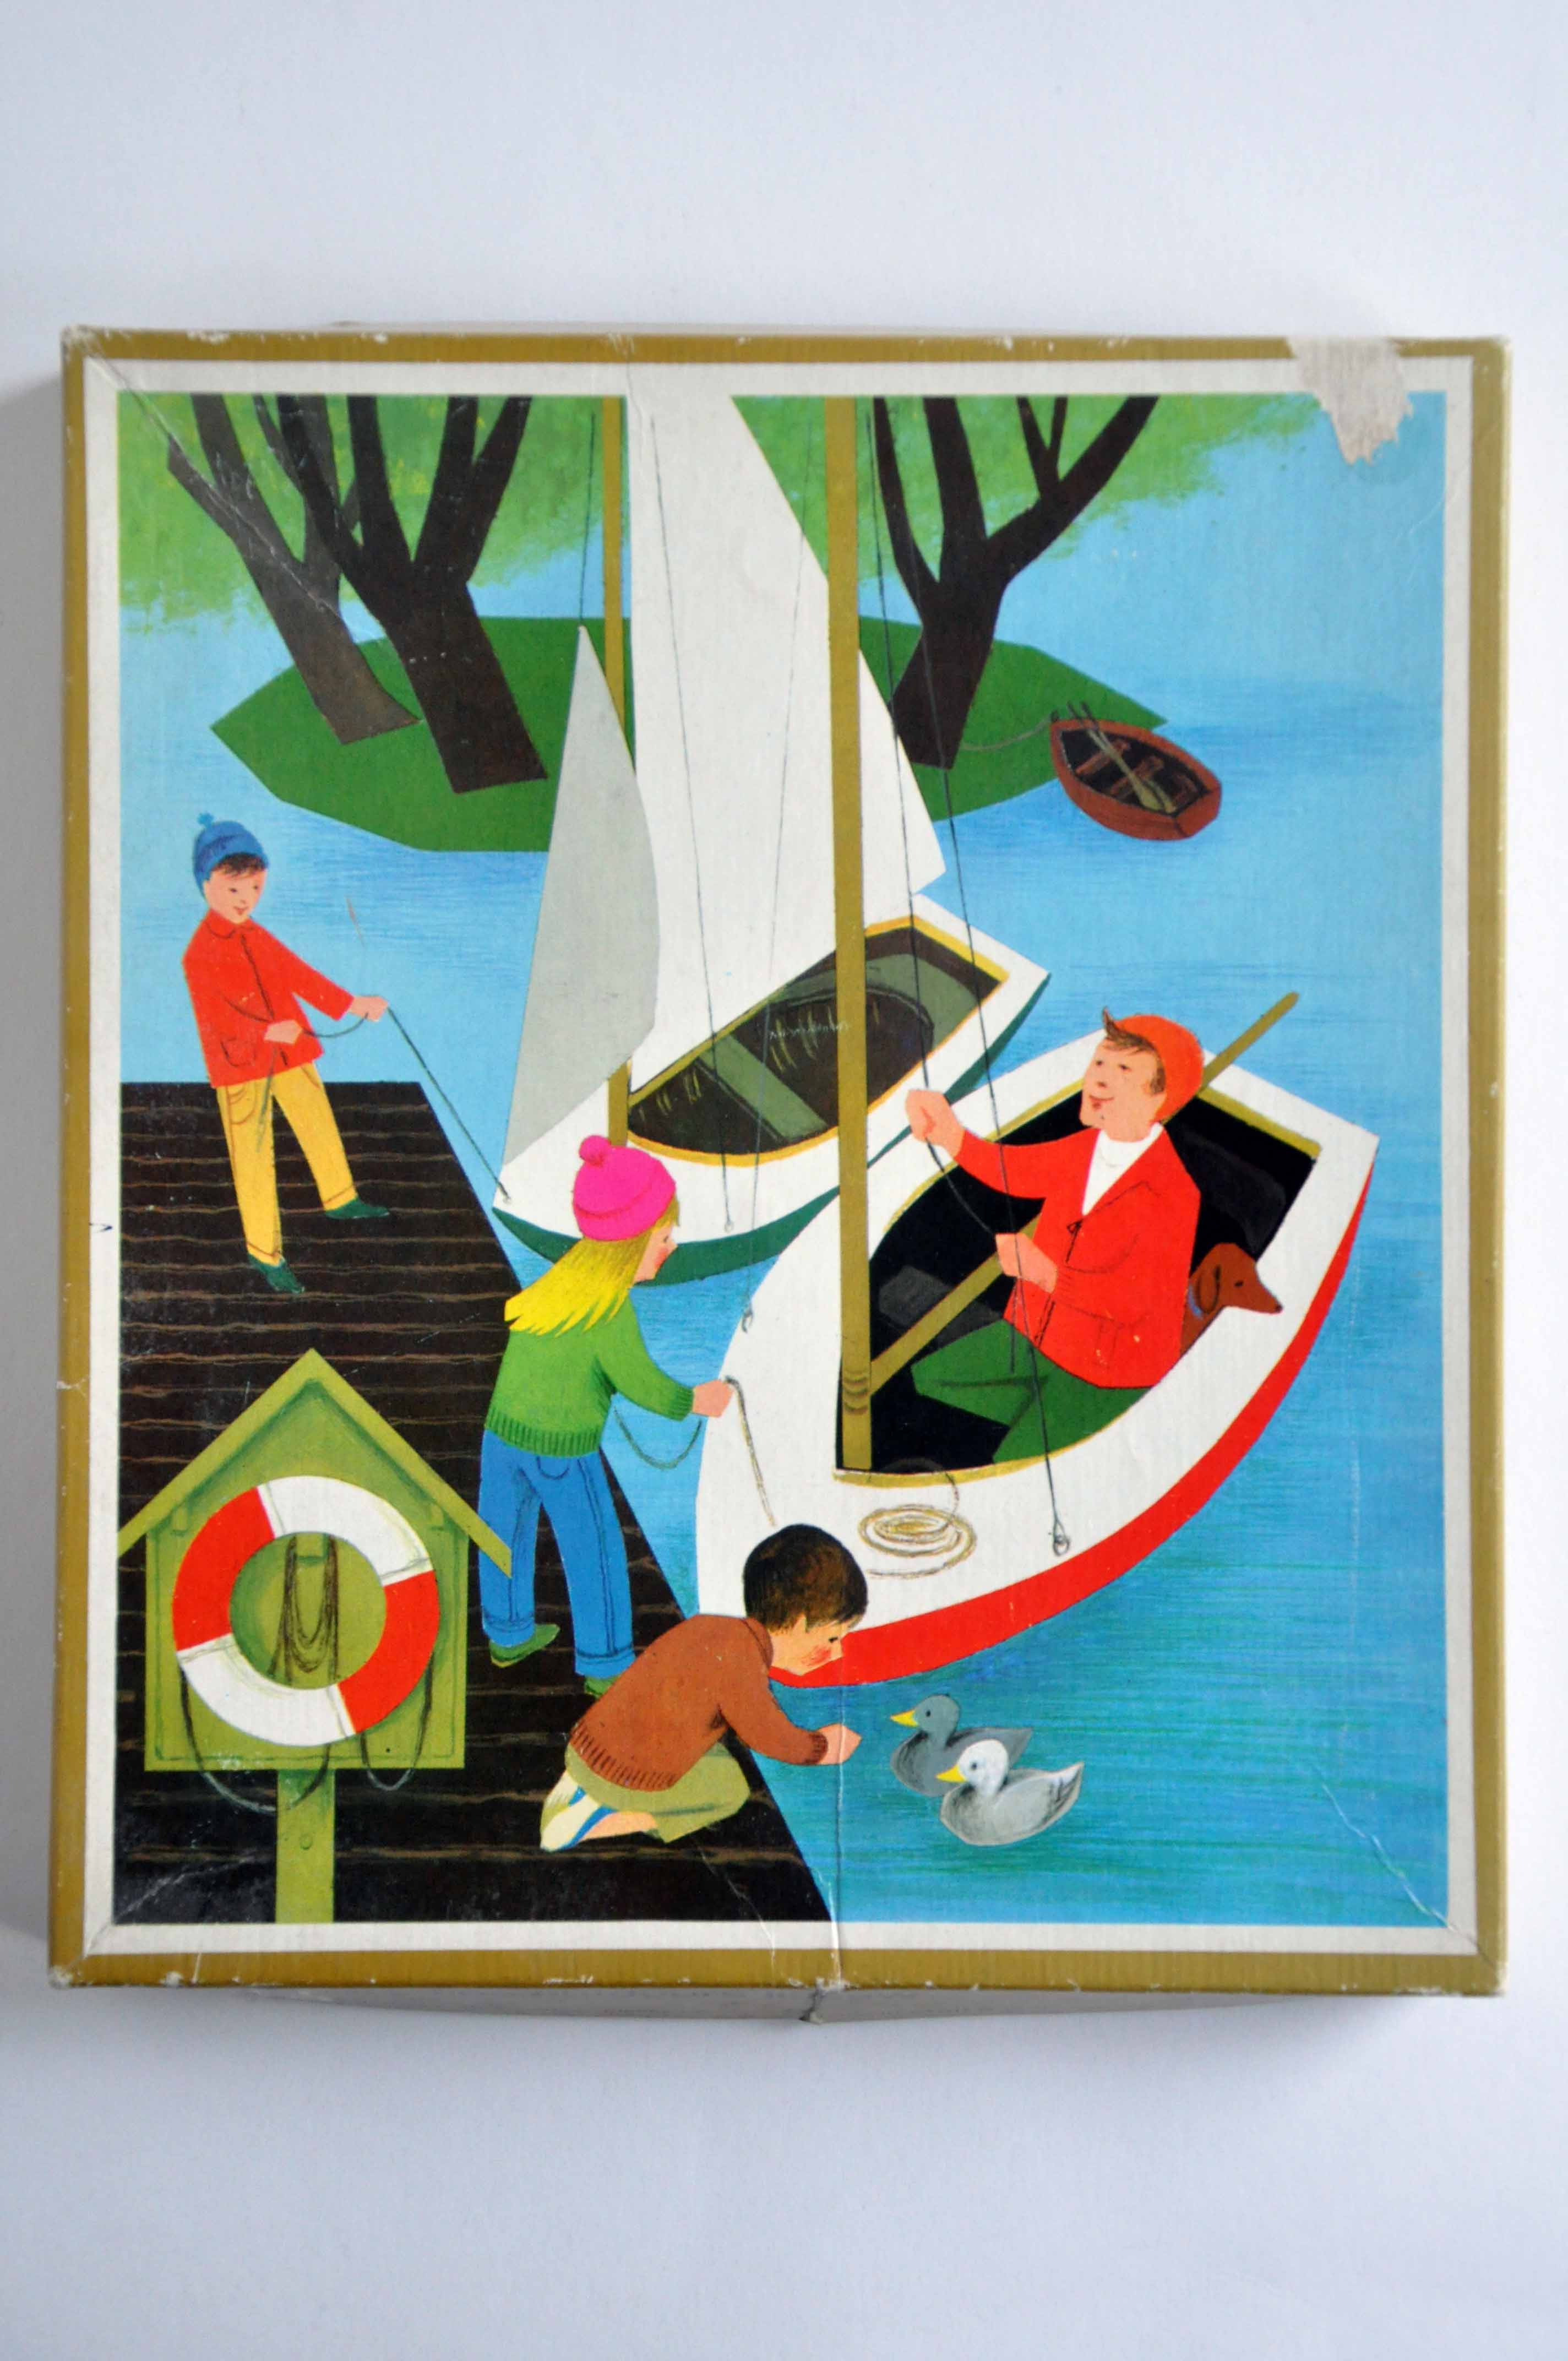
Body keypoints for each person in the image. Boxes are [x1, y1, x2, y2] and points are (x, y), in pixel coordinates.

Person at [478, 1136, 733, 1695]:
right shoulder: (609, 1310)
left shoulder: (560, 1283)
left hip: (501, 1435)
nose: (670, 1249)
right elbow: (643, 1384)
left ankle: (507, 1634)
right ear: (631, 1244)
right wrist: (697, 1400)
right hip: (562, 1449)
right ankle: (605, 1664)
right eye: (663, 1238)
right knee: (593, 1549)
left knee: (504, 1534)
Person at [905, 1010, 1204, 1462]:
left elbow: (1132, 1301)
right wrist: (948, 1131)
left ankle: (1064, 1428)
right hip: (1033, 1337)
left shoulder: (1174, 1194)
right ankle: (1040, 1420)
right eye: (1100, 1062)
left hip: (1105, 1376)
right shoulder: (1085, 1148)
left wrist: (1046, 1275)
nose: (1099, 1079)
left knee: (1010, 1465)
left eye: (1124, 1070)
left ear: (1158, 1098)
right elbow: (1013, 1170)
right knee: (927, 1378)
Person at [539, 1522, 866, 1852]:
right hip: (620, 1773)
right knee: (730, 1789)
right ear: (798, 1623)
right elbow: (768, 1735)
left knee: (713, 1756)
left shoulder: (710, 1626)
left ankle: (585, 1792)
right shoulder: (741, 1659)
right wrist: (823, 1747)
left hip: (589, 1747)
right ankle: (600, 1820)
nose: (837, 1653)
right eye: (832, 1639)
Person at [182, 817, 389, 1297]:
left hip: (292, 1052)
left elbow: (299, 975)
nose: (246, 899)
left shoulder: (257, 935)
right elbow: (215, 1021)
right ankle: (265, 1252)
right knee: (254, 1157)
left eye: (255, 887)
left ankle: (340, 1198)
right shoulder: (198, 953)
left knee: (317, 1118)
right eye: (234, 889)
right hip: (242, 1067)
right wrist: (264, 1032)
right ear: (207, 886)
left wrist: (353, 1004)